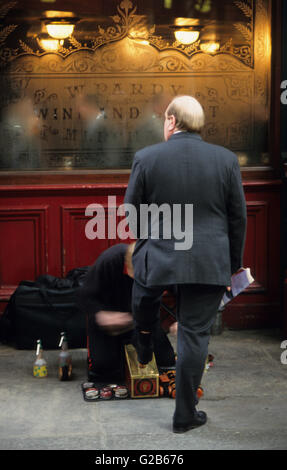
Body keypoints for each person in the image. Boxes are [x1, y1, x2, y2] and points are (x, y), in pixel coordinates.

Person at [124, 95, 247, 433]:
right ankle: (185, 415)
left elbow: (132, 212)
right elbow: (238, 217)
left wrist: (149, 239)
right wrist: (231, 264)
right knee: (194, 337)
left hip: (160, 255)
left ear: (171, 121)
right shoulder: (225, 160)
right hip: (209, 261)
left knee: (143, 295)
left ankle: (144, 339)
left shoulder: (146, 157)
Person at [77, 243, 177, 382]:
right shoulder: (111, 259)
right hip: (108, 322)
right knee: (104, 371)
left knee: (166, 361)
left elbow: (181, 291)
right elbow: (84, 296)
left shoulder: (162, 264)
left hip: (143, 319)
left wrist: (182, 319)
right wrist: (101, 315)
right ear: (128, 265)